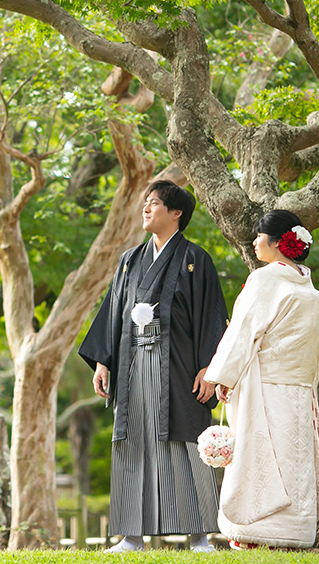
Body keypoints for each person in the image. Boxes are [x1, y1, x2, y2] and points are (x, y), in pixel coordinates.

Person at [78, 180, 228, 553]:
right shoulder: (130, 260)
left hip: (178, 367)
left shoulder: (196, 258)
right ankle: (131, 536)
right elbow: (114, 312)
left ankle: (199, 536)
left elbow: (213, 315)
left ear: (176, 213)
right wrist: (102, 362)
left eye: (155, 203)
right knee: (133, 441)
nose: (146, 209)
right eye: (145, 203)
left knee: (185, 439)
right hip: (132, 365)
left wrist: (210, 367)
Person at [202, 209, 319, 550]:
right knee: (293, 460)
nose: (253, 241)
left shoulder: (264, 279)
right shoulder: (314, 295)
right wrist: (305, 382)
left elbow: (244, 330)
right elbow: (318, 344)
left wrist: (224, 376)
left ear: (278, 242)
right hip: (299, 389)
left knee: (259, 455)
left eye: (259, 235)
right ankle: (292, 534)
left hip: (264, 385)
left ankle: (254, 534)